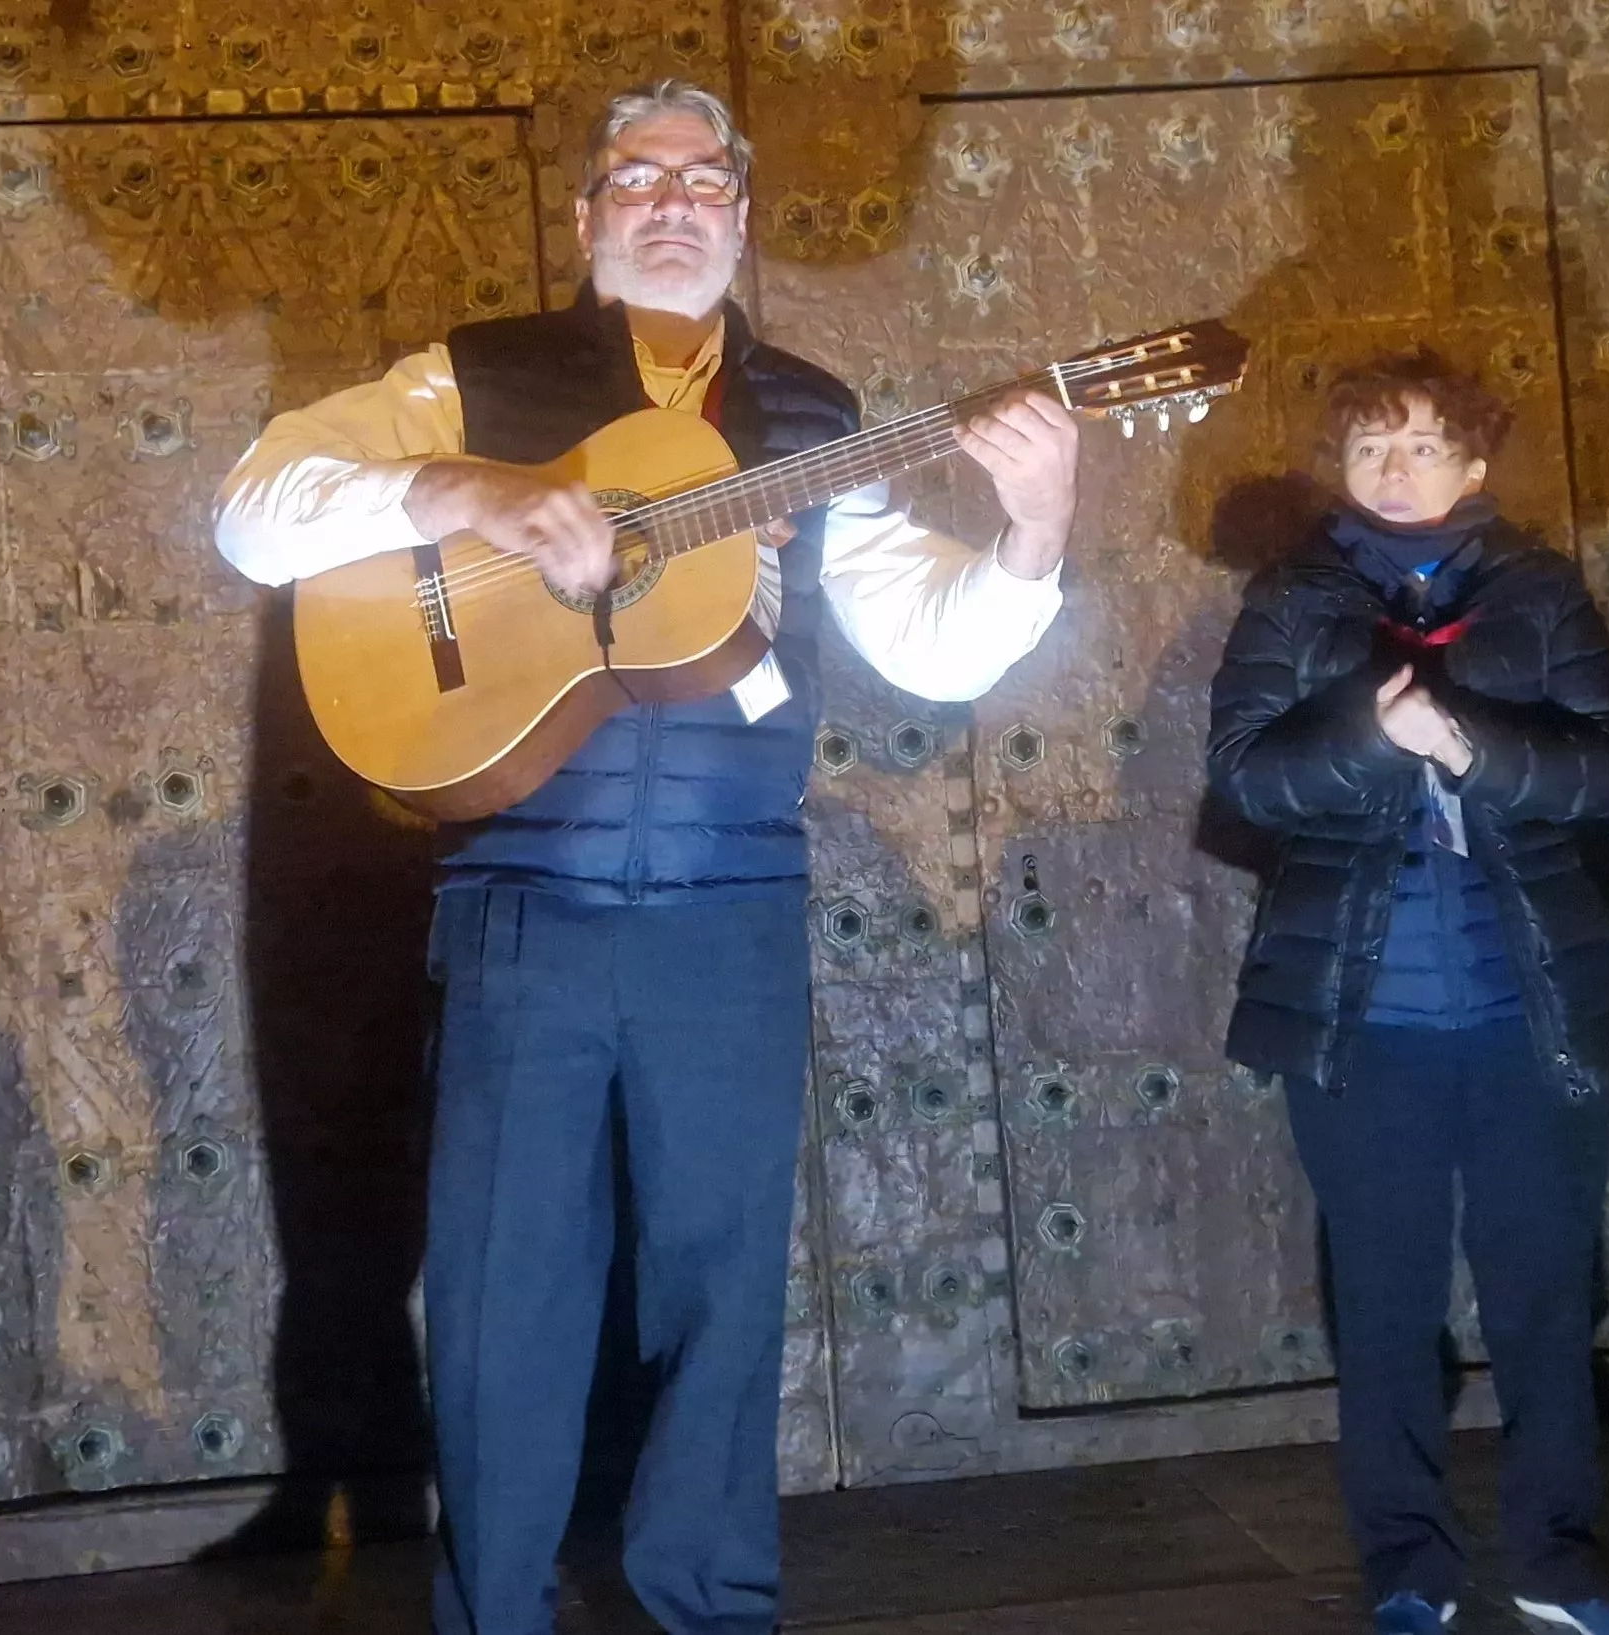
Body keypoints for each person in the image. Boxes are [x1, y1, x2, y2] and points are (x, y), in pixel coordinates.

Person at [211, 79, 1084, 1635]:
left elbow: (933, 646)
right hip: (520, 909)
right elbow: (256, 512)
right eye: (635, 176)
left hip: (729, 908)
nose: (670, 199)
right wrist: (465, 488)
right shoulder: (472, 376)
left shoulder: (818, 420)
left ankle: (709, 1606)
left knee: (722, 1289)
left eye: (702, 177)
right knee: (499, 1303)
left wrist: (1033, 526)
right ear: (586, 215)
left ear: (741, 214)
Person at [1200, 352, 1609, 1635]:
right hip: (1362, 1019)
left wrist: (1463, 744)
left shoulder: (1535, 592)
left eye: (1418, 446)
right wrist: (1370, 732)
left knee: (1542, 1293)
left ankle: (1556, 1559)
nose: (1391, 470)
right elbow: (1243, 776)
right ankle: (1406, 1566)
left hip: (1529, 1006)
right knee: (1385, 1300)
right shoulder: (1292, 600)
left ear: (1470, 466)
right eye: (1366, 448)